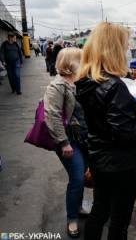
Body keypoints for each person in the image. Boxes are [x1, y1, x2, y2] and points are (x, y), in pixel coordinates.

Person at [75, 22, 136, 240]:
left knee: (100, 210)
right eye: (125, 45)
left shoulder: (87, 80)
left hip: (99, 158)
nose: (128, 48)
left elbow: (105, 123)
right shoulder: (114, 86)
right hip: (120, 164)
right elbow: (125, 133)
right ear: (114, 49)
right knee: (119, 221)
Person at [43, 48, 88, 238]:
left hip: (83, 138)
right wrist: (63, 143)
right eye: (82, 59)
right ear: (71, 63)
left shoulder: (79, 82)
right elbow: (51, 116)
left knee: (82, 175)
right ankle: (72, 219)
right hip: (68, 141)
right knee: (77, 178)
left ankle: (78, 207)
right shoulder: (57, 86)